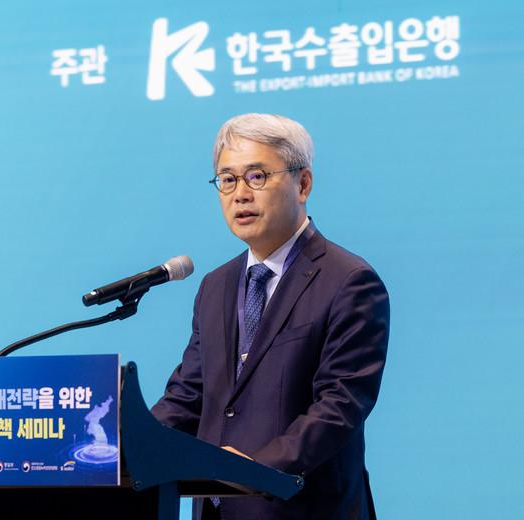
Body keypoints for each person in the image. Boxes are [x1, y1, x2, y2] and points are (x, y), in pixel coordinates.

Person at [150, 114, 390, 520]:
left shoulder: (348, 280)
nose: (240, 195)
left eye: (257, 177)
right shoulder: (216, 285)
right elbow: (188, 396)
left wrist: (252, 470)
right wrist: (123, 451)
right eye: (227, 180)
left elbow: (340, 405)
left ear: (303, 184)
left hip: (302, 510)